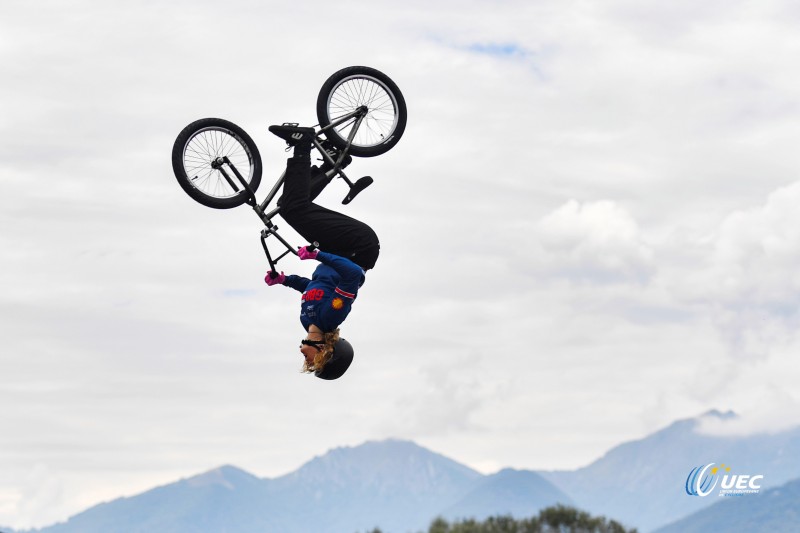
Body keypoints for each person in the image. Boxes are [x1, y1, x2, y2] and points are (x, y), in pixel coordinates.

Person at [263, 124, 380, 380]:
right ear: (326, 351)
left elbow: (311, 287)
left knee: (288, 204)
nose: (306, 361)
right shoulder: (333, 315)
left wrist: (284, 280)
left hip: (339, 248)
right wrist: (318, 256)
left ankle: (333, 161)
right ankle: (301, 142)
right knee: (294, 209)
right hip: (358, 248)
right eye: (315, 363)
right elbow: (350, 275)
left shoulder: (308, 321)